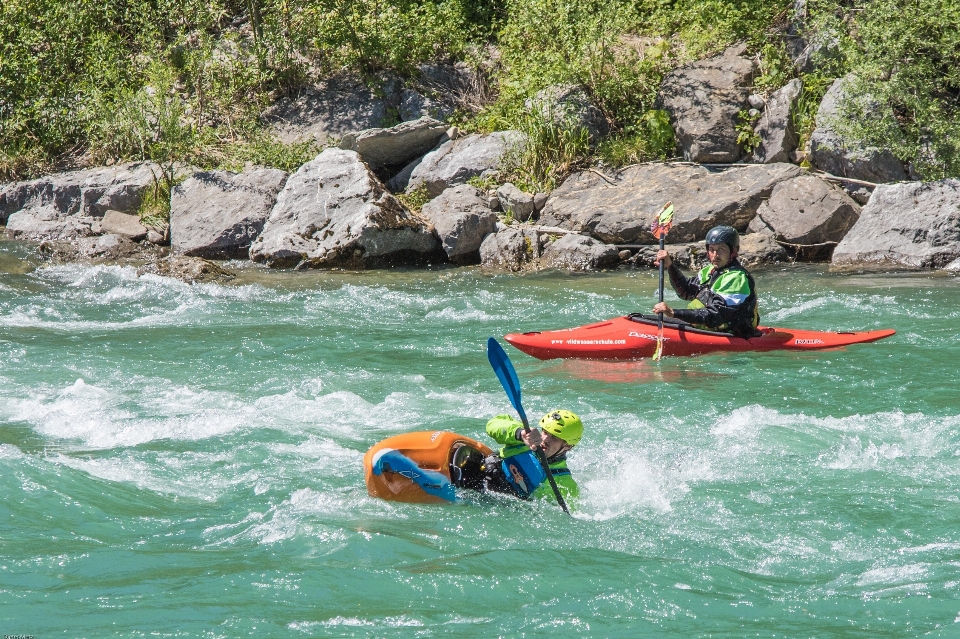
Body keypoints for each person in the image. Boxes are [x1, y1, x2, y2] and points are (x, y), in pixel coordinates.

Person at [451, 409, 583, 504]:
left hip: (487, 503)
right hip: (470, 475)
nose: (544, 439)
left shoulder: (565, 485)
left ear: (568, 446)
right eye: (544, 432)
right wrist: (519, 434)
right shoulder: (525, 438)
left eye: (554, 438)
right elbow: (493, 424)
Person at [652, 225, 760, 338]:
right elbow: (686, 291)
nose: (715, 255)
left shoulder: (737, 278)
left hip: (732, 333)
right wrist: (670, 266)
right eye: (712, 249)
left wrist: (674, 313)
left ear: (734, 251)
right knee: (640, 318)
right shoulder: (710, 271)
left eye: (721, 249)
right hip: (707, 327)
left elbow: (716, 316)